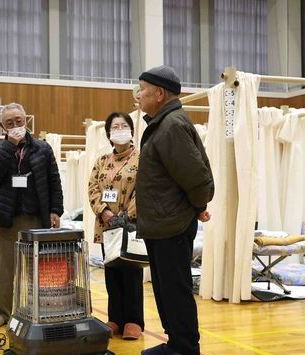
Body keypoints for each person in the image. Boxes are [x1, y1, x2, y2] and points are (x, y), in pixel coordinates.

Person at [136, 65, 214, 355]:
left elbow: (197, 178)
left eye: (141, 90)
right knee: (165, 288)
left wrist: (199, 206)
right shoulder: (163, 124)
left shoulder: (171, 126)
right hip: (162, 224)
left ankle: (184, 348)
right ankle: (175, 343)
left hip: (172, 225)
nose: (138, 96)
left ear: (159, 93)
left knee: (175, 289)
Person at [0, 102, 63, 329]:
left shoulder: (43, 148)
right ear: (2, 126)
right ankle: (0, 312)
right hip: (7, 219)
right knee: (6, 269)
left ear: (26, 120)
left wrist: (55, 210)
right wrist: (11, 146)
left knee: (37, 269)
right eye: (10, 123)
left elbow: (54, 181)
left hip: (36, 218)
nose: (15, 126)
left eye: (19, 121)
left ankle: (34, 310)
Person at [88, 112, 143, 340]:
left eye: (123, 125)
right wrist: (106, 213)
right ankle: (115, 319)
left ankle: (133, 321)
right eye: (115, 127)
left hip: (131, 226)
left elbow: (145, 189)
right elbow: (92, 188)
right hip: (106, 227)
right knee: (112, 274)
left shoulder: (142, 158)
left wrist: (126, 215)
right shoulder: (101, 161)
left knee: (131, 274)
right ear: (109, 134)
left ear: (131, 130)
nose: (119, 129)